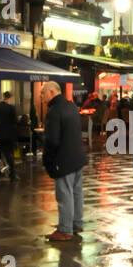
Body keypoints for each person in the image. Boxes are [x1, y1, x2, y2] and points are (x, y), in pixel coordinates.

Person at [40, 81, 87, 242]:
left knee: (64, 194)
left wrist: (47, 160)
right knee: (76, 192)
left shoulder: (54, 111)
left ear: (52, 92)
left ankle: (65, 229)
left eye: (43, 93)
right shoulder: (71, 106)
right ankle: (76, 223)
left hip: (64, 158)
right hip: (77, 157)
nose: (41, 97)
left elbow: (52, 140)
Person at [0, 90, 18, 181]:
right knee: (9, 153)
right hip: (10, 134)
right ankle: (12, 173)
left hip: (0, 133)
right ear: (9, 98)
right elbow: (15, 121)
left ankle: (8, 171)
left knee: (4, 152)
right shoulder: (11, 108)